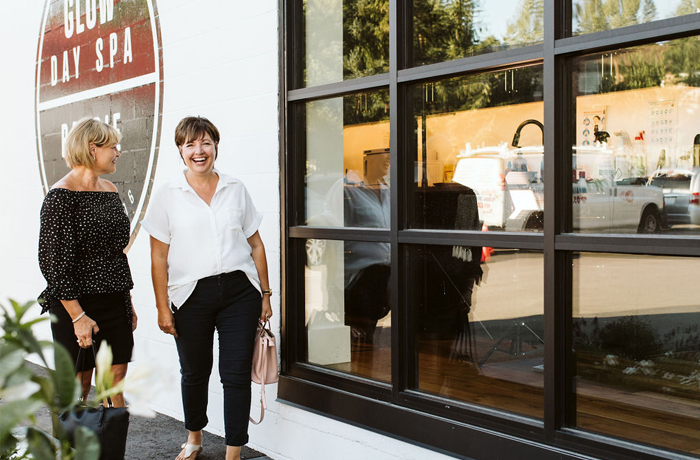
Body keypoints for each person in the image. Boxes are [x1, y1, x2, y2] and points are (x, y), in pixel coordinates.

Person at [141, 116, 272, 460]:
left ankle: (233, 452)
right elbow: (158, 258)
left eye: (205, 144)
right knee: (195, 372)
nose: (199, 151)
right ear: (180, 150)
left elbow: (256, 245)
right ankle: (195, 437)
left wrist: (266, 294)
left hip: (239, 292)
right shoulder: (168, 194)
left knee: (236, 374)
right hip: (189, 294)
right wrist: (161, 307)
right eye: (190, 145)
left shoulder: (235, 188)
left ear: (216, 146)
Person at [38, 117, 137, 406]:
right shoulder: (60, 196)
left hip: (114, 300)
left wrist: (126, 301)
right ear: (92, 149)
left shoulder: (110, 190)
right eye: (113, 147)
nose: (117, 153)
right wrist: (78, 318)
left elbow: (116, 253)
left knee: (114, 382)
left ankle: (112, 449)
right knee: (78, 386)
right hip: (76, 306)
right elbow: (54, 264)